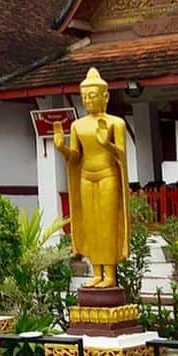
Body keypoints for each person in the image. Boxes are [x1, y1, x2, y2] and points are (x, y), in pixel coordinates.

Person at [53, 67, 129, 288]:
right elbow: (76, 156)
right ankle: (96, 271)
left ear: (105, 97)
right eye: (84, 96)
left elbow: (121, 155)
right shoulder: (78, 125)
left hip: (108, 176)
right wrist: (62, 148)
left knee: (107, 224)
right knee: (92, 224)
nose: (87, 100)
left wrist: (107, 143)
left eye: (92, 95)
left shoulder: (116, 123)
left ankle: (110, 275)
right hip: (86, 177)